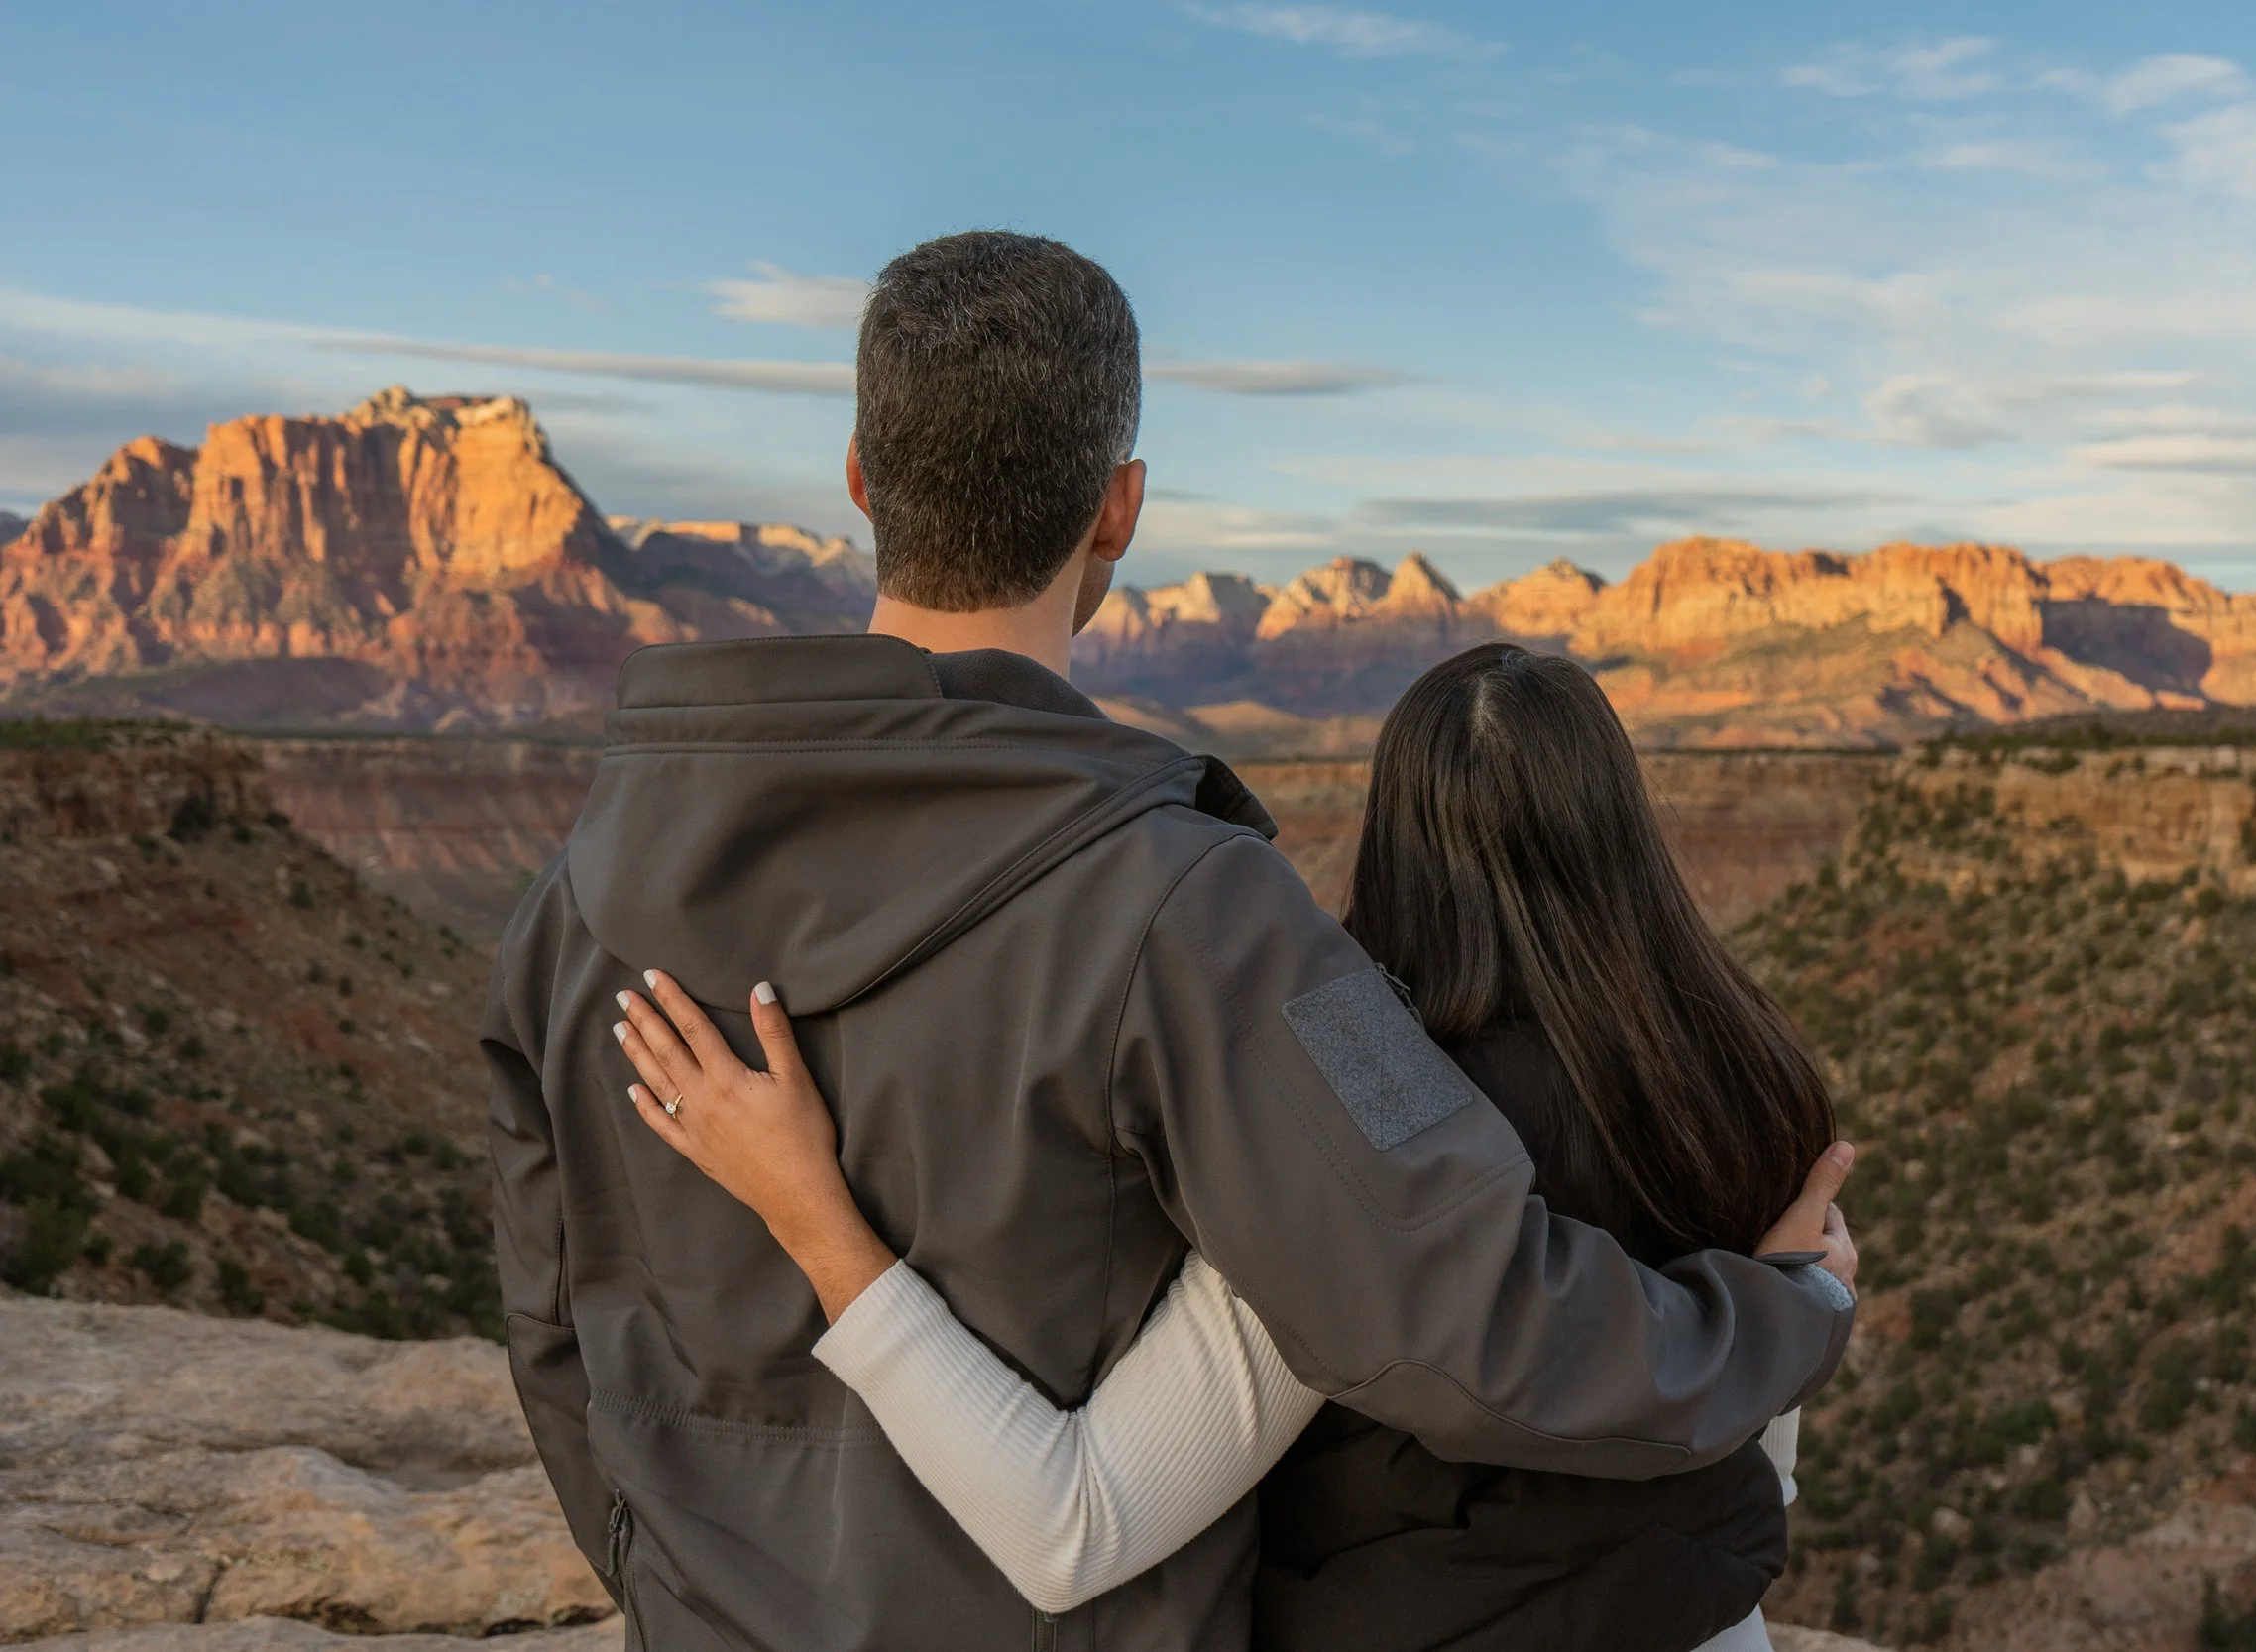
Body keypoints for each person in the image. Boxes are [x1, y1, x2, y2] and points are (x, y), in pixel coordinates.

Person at [485, 230, 1857, 1651]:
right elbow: (1467, 1314)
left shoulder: (573, 902)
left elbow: (554, 1331)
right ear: (1121, 507)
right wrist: (1783, 1312)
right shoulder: (1204, 916)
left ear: (859, 479)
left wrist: (661, 1574)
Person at [614, 642, 1856, 1651]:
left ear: (1391, 838)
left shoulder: (1365, 1139)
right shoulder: (1748, 1080)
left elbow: (1069, 1525)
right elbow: (1759, 1423)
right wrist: (1795, 1300)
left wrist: (814, 1219)